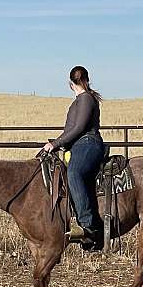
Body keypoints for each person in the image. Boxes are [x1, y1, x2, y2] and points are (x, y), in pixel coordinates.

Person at [43, 65, 105, 250]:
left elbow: (78, 128)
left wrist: (54, 144)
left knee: (74, 174)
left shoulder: (85, 99)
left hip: (88, 144)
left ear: (70, 84)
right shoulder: (82, 100)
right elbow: (71, 130)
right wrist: (59, 143)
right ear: (87, 79)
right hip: (78, 145)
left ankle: (88, 225)